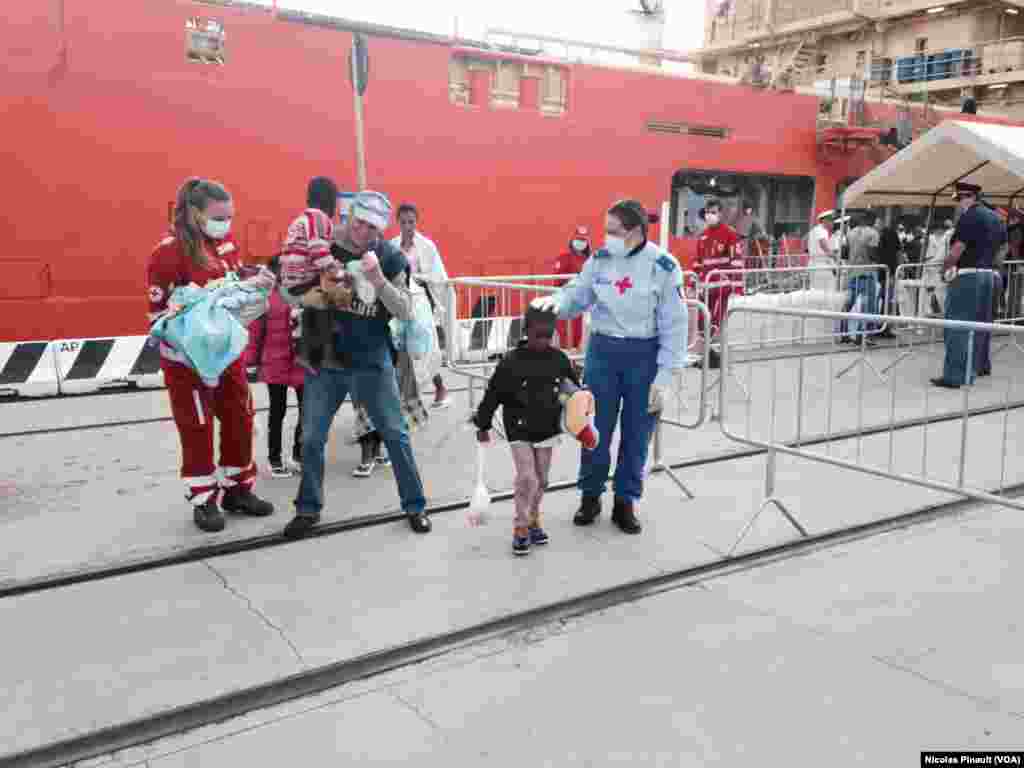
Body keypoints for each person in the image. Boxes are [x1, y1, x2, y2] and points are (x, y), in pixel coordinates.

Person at [280, 189, 432, 536]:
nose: (365, 233)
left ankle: (415, 505)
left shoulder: (390, 256)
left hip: (370, 359)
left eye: (373, 229)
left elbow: (405, 310)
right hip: (324, 358)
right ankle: (308, 510)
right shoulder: (322, 244)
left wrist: (377, 280)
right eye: (360, 224)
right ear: (348, 217)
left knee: (395, 434)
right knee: (312, 438)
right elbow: (288, 288)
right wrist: (311, 292)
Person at [531, 199, 687, 534]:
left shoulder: (663, 266)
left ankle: (625, 501)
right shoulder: (599, 260)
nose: (607, 237)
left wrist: (664, 376)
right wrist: (556, 304)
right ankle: (590, 495)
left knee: (637, 432)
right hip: (603, 351)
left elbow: (675, 324)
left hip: (643, 355)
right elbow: (579, 294)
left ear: (634, 232)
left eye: (614, 231)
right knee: (592, 426)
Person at [146, 178, 274, 532]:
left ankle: (237, 488)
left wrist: (250, 282)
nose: (226, 223)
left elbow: (232, 282)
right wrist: (201, 309)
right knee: (197, 426)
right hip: (187, 360)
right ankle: (204, 499)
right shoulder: (166, 255)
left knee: (240, 416)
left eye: (230, 216)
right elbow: (157, 319)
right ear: (194, 213)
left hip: (226, 350)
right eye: (219, 216)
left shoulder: (225, 246)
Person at [472, 307, 587, 555]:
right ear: (526, 332)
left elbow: (573, 390)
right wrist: (483, 424)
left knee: (542, 480)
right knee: (528, 477)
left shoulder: (559, 359)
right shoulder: (511, 362)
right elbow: (493, 394)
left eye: (548, 335)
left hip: (547, 429)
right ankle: (521, 527)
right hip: (519, 428)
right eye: (538, 335)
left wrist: (580, 413)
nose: (543, 341)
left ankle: (534, 518)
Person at [932, 182, 1002, 388]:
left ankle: (955, 376)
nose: (958, 205)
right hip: (990, 274)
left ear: (967, 197)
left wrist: (944, 269)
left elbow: (957, 250)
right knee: (981, 326)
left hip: (968, 276)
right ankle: (976, 368)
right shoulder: (995, 218)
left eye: (959, 200)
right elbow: (1001, 250)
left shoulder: (969, 217)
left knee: (957, 326)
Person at [244, 255, 304, 478]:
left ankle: (299, 455)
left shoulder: (303, 293)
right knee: (276, 412)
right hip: (275, 361)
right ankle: (275, 459)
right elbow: (256, 331)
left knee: (306, 411)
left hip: (300, 362)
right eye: (282, 269)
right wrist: (250, 362)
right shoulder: (267, 296)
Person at [391, 203, 451, 409]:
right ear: (397, 222)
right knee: (402, 350)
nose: (408, 226)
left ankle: (439, 388)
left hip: (421, 303)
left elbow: (438, 276)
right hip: (399, 303)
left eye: (411, 221)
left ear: (416, 222)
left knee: (424, 348)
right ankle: (409, 399)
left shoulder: (427, 246)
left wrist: (417, 278)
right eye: (403, 222)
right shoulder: (392, 245)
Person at [693, 197, 742, 369]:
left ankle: (711, 357)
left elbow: (736, 261)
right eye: (707, 212)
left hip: (722, 285)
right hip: (705, 286)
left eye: (713, 212)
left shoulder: (730, 234)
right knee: (700, 320)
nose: (709, 216)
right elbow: (698, 262)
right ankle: (709, 356)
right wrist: (694, 283)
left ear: (721, 214)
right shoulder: (703, 236)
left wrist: (737, 287)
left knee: (714, 321)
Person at [843, 214, 881, 345]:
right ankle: (863, 336)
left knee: (848, 303)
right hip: (868, 272)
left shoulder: (850, 233)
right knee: (868, 305)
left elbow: (845, 252)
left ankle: (843, 333)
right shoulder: (873, 233)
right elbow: (872, 253)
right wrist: (877, 260)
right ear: (870, 221)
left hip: (853, 272)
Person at [552, 225, 592, 348]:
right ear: (573, 240)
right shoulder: (564, 258)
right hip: (568, 300)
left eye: (584, 240)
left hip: (584, 302)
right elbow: (557, 280)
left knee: (581, 333)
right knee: (567, 333)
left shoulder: (590, 259)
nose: (581, 243)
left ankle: (576, 356)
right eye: (579, 240)